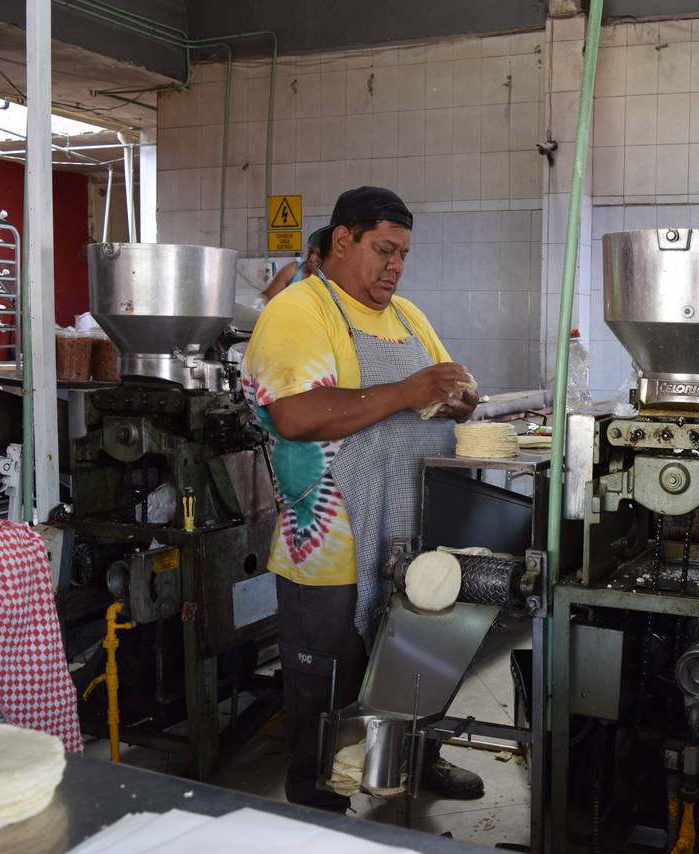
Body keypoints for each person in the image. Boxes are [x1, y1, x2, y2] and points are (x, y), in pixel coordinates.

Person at [241, 187, 483, 811]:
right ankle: (319, 799)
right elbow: (294, 415)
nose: (395, 266)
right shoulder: (299, 310)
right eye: (384, 249)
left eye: (403, 254)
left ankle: (417, 758)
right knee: (330, 683)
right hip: (331, 543)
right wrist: (406, 392)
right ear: (343, 241)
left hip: (410, 529)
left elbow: (441, 387)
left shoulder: (408, 316)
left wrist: (460, 399)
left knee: (418, 660)